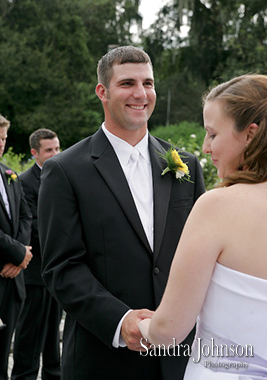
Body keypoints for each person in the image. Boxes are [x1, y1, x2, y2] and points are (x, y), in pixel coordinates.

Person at [38, 45, 205, 380]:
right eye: (127, 83)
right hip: (103, 358)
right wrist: (120, 320)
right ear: (103, 91)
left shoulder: (184, 165)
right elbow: (62, 267)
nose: (141, 94)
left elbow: (201, 251)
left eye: (148, 83)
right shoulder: (65, 170)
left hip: (180, 356)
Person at [138, 74, 267, 379]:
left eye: (212, 134)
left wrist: (143, 324)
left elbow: (169, 331)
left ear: (250, 134)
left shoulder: (218, 206)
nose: (206, 148)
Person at [11, 129, 62, 380]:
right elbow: (32, 226)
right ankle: (24, 376)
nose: (55, 154)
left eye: (57, 148)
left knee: (54, 334)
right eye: (49, 150)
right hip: (35, 270)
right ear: (35, 153)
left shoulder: (64, 176)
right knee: (30, 334)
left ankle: (54, 375)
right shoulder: (25, 181)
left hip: (58, 271)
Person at [0, 114, 32, 380]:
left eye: (3, 139)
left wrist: (20, 256)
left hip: (12, 281)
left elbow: (25, 215)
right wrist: (19, 253)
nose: (0, 144)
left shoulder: (9, 175)